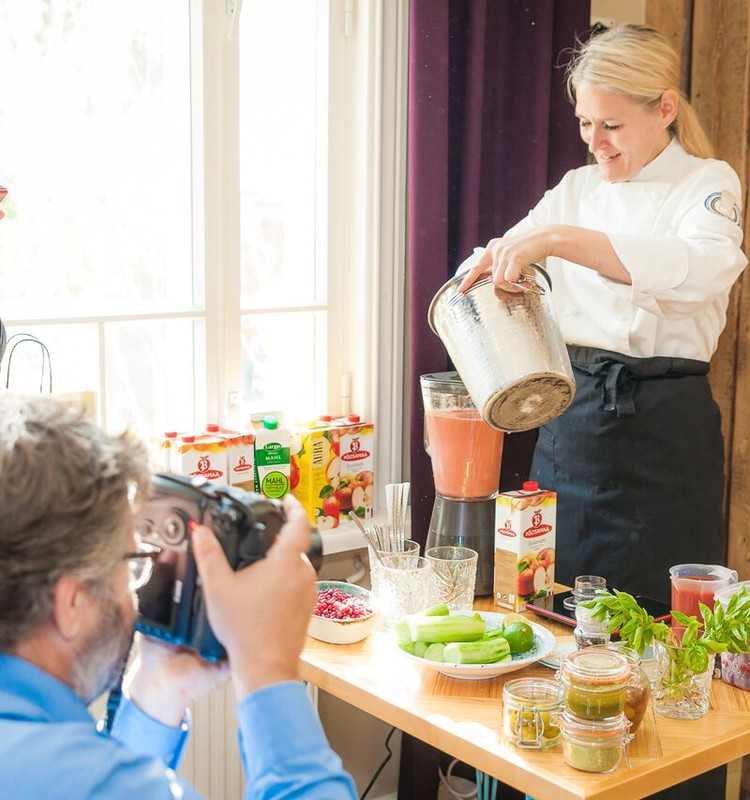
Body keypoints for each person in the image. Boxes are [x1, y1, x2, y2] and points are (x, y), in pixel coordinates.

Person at [458, 23, 746, 800]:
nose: (596, 141)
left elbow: (697, 271)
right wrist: (498, 266)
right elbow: (506, 248)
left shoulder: (708, 184)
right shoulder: (578, 189)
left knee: (662, 633)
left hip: (664, 428)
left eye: (612, 125)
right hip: (575, 421)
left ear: (666, 108)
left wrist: (558, 240)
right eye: (585, 123)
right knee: (559, 613)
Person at [0, 394, 357, 799]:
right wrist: (268, 669)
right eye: (131, 563)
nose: (135, 592)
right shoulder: (91, 783)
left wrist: (157, 690)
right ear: (71, 603)